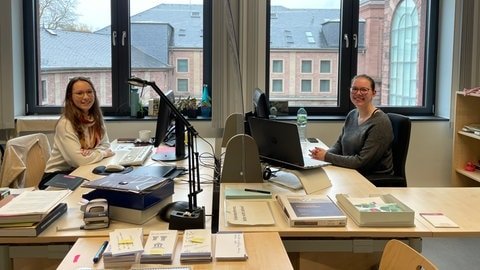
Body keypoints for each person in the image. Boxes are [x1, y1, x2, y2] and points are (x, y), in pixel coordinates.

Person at [309, 74, 394, 176]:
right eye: (354, 89)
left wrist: (326, 156)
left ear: (373, 93)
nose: (358, 93)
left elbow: (361, 162)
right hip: (351, 171)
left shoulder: (380, 122)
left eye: (364, 90)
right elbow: (340, 145)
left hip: (371, 178)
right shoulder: (352, 114)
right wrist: (320, 154)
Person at [39, 77, 114, 189]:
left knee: (108, 183)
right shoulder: (66, 124)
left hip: (80, 169)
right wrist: (102, 153)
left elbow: (106, 145)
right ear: (70, 97)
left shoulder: (96, 118)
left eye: (89, 92)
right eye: (79, 93)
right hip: (56, 176)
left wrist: (90, 152)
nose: (86, 97)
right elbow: (79, 161)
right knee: (94, 189)